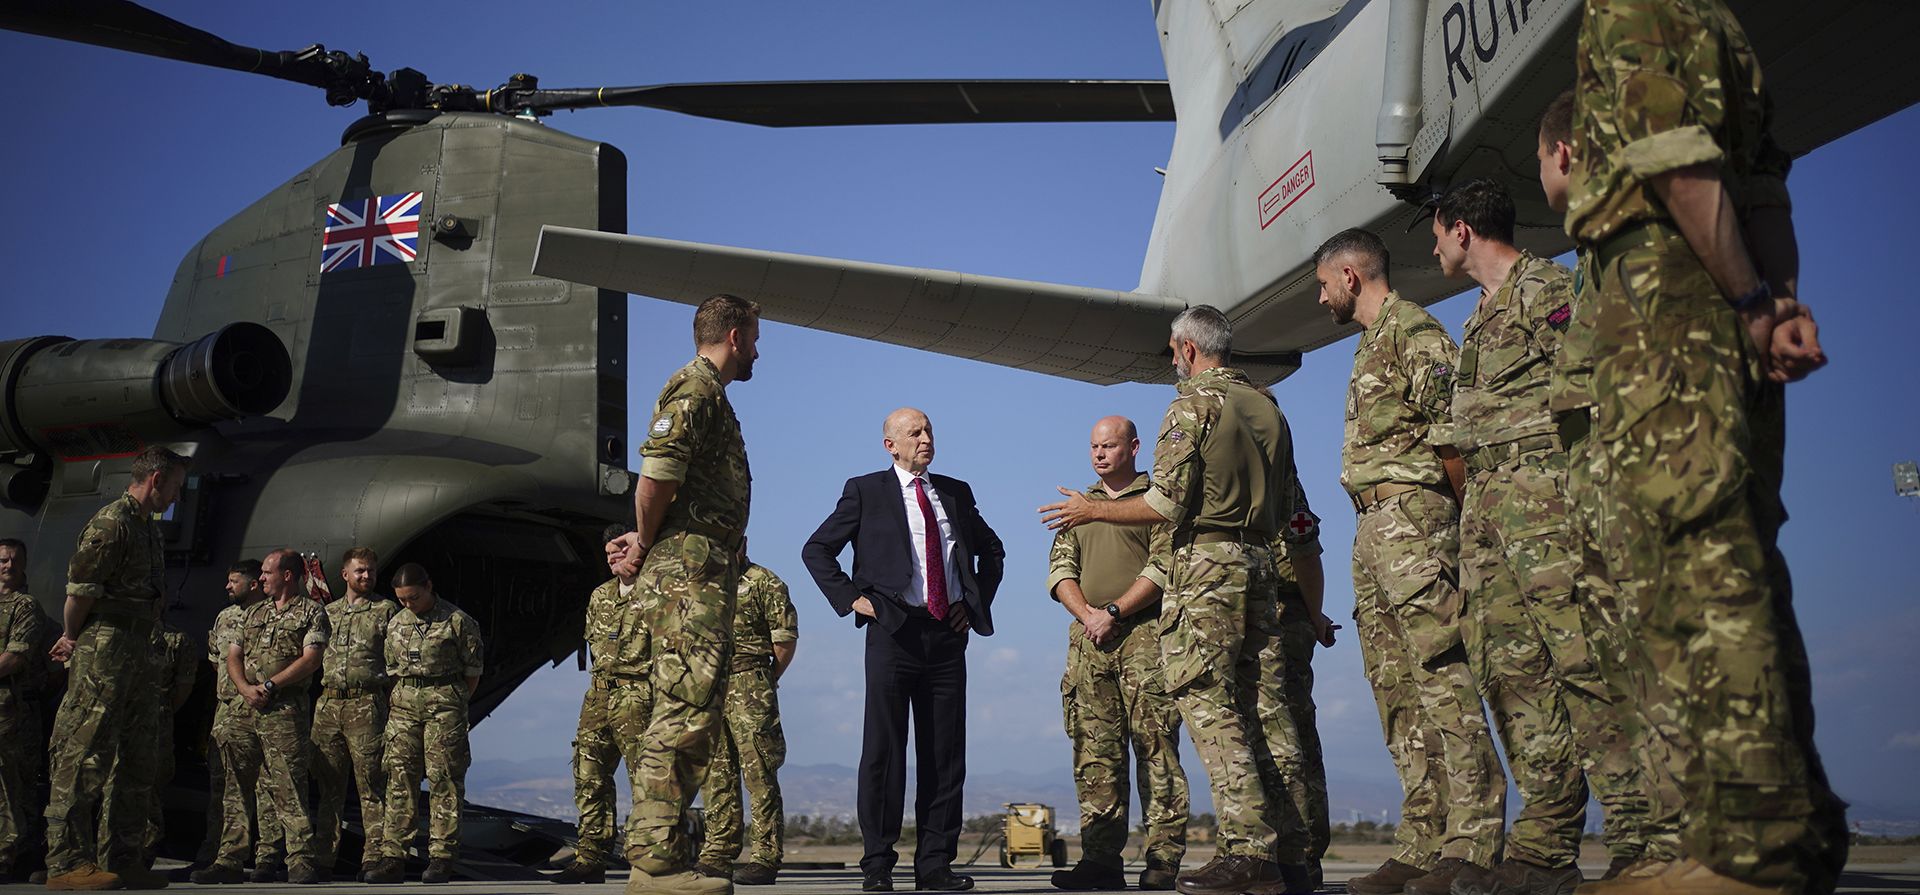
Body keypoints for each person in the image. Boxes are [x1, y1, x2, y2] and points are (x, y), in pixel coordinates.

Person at [1567, 2, 1845, 891]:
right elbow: (1762, 186)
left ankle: (1755, 847)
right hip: (1725, 300)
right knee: (1743, 557)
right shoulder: (1719, 23)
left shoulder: (1628, 10)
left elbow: (1677, 167)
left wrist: (1751, 302)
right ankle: (1787, 829)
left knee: (1698, 564)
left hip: (1665, 296)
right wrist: (1775, 307)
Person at [1431, 177, 1649, 895]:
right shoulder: (1477, 319)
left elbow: (1604, 384)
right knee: (1513, 675)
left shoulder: (1548, 289)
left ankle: (1641, 836)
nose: (1433, 247)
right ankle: (1548, 843)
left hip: (1548, 500)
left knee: (1585, 663)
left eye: (1436, 232)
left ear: (1462, 230)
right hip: (1491, 514)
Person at [1041, 306, 1299, 895]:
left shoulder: (1192, 404)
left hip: (1205, 569)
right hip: (1258, 561)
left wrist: (1093, 511)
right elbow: (1286, 509)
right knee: (1265, 712)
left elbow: (1168, 504)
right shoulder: (1268, 406)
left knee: (1210, 712)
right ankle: (1290, 855)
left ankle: (1248, 851)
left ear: (1185, 350)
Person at [1313, 229, 1506, 895]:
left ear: (1350, 275)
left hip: (1416, 519)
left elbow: (1455, 436)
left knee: (1441, 674)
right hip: (1372, 527)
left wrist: (1461, 525)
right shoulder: (1369, 342)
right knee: (1395, 689)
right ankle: (1425, 838)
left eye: (1323, 283)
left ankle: (1475, 838)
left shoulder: (1413, 331)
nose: (1319, 296)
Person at [802, 407, 1005, 893]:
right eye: (914, 432)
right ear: (890, 444)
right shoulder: (865, 490)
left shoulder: (955, 492)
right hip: (892, 632)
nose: (925, 437)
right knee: (884, 753)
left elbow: (992, 551)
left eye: (929, 429)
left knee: (944, 756)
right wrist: (852, 598)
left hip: (946, 636)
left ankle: (935, 866)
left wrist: (972, 607)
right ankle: (877, 865)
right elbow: (817, 549)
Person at [602, 293, 760, 895]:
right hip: (686, 573)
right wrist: (644, 543)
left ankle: (656, 856)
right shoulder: (694, 391)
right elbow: (655, 480)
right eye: (755, 338)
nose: (756, 352)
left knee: (693, 708)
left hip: (703, 569)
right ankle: (655, 864)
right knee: (684, 706)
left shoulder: (711, 396)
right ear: (737, 336)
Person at [1042, 416, 1187, 892]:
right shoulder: (1079, 506)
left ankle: (1162, 860)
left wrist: (1114, 611)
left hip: (1146, 638)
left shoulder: (1156, 502)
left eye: (1109, 445)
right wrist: (1087, 615)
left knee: (1156, 750)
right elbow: (1061, 567)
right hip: (1089, 643)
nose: (1100, 454)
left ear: (1134, 447)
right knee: (1094, 754)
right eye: (1094, 447)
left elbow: (1163, 566)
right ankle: (1101, 861)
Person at [42, 445, 188, 892]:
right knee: (85, 751)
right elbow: (80, 593)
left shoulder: (148, 527)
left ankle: (123, 858)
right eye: (176, 487)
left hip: (140, 647)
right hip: (104, 647)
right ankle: (66, 863)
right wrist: (71, 637)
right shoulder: (113, 522)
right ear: (157, 478)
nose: (177, 497)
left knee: (138, 757)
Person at [1253, 387, 1341, 893]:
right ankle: (1294, 852)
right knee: (1289, 736)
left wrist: (1313, 616)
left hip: (1282, 617)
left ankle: (1300, 854)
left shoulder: (1282, 486)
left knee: (1286, 738)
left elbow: (1307, 554)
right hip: (1272, 616)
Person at [363, 563, 484, 885]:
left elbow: (472, 673)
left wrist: (450, 702)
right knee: (399, 778)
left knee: (444, 778)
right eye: (402, 599)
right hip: (403, 707)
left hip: (444, 706)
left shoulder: (457, 621)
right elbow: (391, 669)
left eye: (413, 597)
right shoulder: (396, 623)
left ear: (429, 587)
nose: (408, 604)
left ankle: (442, 857)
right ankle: (393, 858)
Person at [221, 549, 329, 884]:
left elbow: (311, 659)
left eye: (267, 573)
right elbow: (233, 655)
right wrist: (244, 689)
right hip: (244, 709)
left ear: (287, 575)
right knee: (237, 785)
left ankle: (299, 860)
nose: (262, 578)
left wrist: (269, 685)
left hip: (284, 711)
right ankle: (230, 858)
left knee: (288, 785)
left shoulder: (312, 613)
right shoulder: (252, 614)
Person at [695, 542, 798, 887]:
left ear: (743, 545)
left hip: (749, 680)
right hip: (708, 686)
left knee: (760, 772)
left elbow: (783, 641)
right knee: (715, 773)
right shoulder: (701, 585)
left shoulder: (764, 582)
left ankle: (765, 857)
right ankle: (718, 853)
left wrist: (765, 680)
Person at [554, 524, 647, 886]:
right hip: (598, 695)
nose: (612, 558)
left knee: (645, 780)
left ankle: (646, 858)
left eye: (619, 551)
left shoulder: (656, 592)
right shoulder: (600, 596)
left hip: (639, 695)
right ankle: (590, 857)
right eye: (608, 553)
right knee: (588, 775)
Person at [311, 547, 398, 881]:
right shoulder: (326, 613)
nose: (366, 576)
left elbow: (394, 664)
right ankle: (323, 858)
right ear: (345, 574)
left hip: (367, 704)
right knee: (328, 786)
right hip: (330, 705)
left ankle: (374, 858)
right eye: (360, 571)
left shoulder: (385, 610)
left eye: (371, 572)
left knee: (372, 785)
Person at [193, 561, 284, 883]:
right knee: (223, 787)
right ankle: (218, 854)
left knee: (266, 787)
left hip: (262, 708)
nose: (228, 587)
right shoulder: (225, 617)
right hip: (227, 709)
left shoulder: (275, 614)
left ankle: (267, 857)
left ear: (254, 584)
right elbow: (215, 661)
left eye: (235, 581)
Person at [98, 618, 196, 876]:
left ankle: (140, 857)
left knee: (148, 788)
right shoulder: (118, 632)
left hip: (155, 720)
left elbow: (182, 689)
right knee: (109, 788)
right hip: (119, 718)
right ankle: (104, 857)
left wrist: (160, 711)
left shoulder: (176, 640)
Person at [0, 538, 50, 884]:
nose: (8, 566)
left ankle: (10, 857)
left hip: (12, 713)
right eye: (2, 560)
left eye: (14, 560)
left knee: (11, 786)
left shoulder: (26, 606)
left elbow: (15, 657)